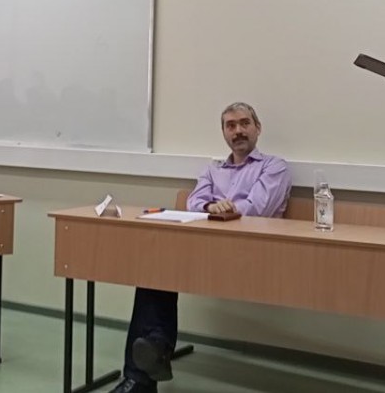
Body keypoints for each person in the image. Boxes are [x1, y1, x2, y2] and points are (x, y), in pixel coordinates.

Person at [109, 103, 292, 393]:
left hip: (254, 254)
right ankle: (142, 373)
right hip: (207, 250)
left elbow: (258, 209)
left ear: (258, 128)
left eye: (245, 123)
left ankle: (156, 349)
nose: (238, 131)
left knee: (161, 270)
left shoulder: (273, 166)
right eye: (230, 126)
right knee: (154, 268)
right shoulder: (212, 169)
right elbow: (193, 201)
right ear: (224, 133)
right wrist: (209, 206)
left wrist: (223, 209)